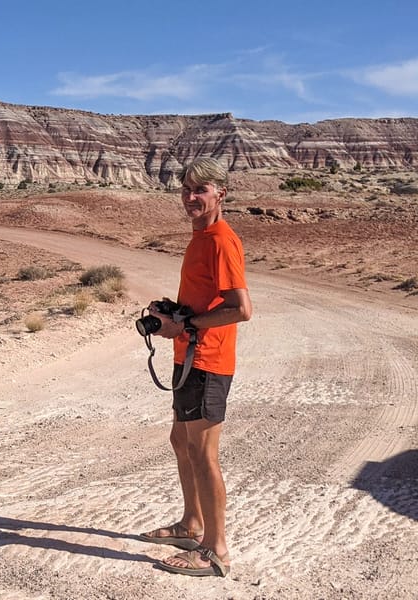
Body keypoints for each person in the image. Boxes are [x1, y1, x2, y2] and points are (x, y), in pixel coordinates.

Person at [140, 156, 252, 578]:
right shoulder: (200, 238)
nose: (191, 197)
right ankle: (192, 524)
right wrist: (173, 312)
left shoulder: (222, 240)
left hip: (208, 361)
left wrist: (185, 324)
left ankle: (216, 550)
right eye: (186, 189)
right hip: (189, 357)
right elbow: (207, 301)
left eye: (200, 190)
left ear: (220, 194)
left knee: (204, 455)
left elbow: (241, 310)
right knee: (180, 441)